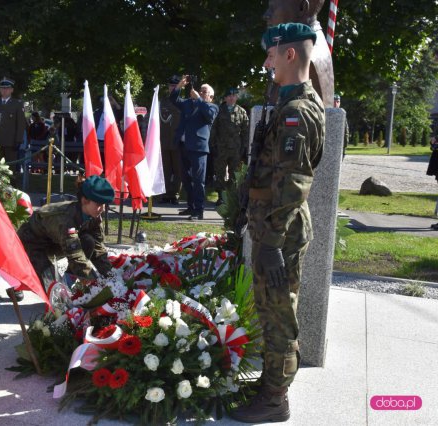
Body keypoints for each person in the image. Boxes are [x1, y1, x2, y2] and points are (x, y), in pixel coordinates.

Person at [230, 23, 325, 423]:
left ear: (290, 54)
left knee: (278, 312)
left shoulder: (297, 112)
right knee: (272, 307)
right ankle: (272, 382)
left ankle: (274, 400)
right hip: (272, 227)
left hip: (279, 231)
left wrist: (269, 242)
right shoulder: (288, 104)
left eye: (272, 53)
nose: (266, 61)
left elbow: (293, 184)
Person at [17, 175, 114, 290]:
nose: (102, 208)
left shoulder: (95, 217)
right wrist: (95, 282)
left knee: (88, 241)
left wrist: (110, 277)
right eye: (98, 204)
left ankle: (69, 282)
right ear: (84, 200)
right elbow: (75, 255)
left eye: (104, 205)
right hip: (32, 242)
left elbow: (98, 250)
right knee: (51, 284)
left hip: (56, 241)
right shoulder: (66, 219)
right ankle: (16, 283)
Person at [263, 0, 334, 107]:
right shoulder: (309, 46)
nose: (266, 15)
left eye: (273, 8)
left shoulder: (308, 57)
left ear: (302, 7)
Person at [170, 76, 219, 220]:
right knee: (186, 178)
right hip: (183, 145)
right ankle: (191, 207)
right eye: (201, 91)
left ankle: (199, 210)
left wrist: (199, 99)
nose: (202, 93)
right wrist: (179, 86)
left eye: (205, 92)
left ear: (211, 96)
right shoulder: (189, 103)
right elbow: (174, 99)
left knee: (198, 180)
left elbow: (209, 116)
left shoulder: (212, 107)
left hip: (198, 148)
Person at [211, 87, 250, 204]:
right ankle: (221, 196)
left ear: (237, 97)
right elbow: (213, 129)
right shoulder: (219, 110)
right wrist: (212, 145)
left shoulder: (242, 112)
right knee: (220, 173)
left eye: (234, 95)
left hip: (235, 149)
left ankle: (232, 197)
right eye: (229, 96)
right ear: (225, 98)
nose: (232, 98)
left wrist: (244, 147)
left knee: (234, 174)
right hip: (221, 148)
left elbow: (245, 131)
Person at [0, 77, 27, 168]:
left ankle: (12, 182)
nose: (4, 90)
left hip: (11, 142)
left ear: (11, 90)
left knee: (10, 168)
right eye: (2, 88)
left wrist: (18, 140)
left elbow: (20, 124)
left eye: (7, 88)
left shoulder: (17, 104)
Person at [159, 75, 183, 204]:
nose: (172, 88)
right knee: (165, 170)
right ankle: (166, 194)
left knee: (178, 170)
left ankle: (175, 194)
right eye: (171, 86)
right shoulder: (162, 102)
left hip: (177, 142)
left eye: (175, 86)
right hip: (163, 141)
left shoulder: (182, 102)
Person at [334, 94, 350, 159]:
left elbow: (346, 131)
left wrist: (345, 145)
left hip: (340, 145)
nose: (335, 104)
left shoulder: (342, 114)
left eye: (337, 102)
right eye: (334, 101)